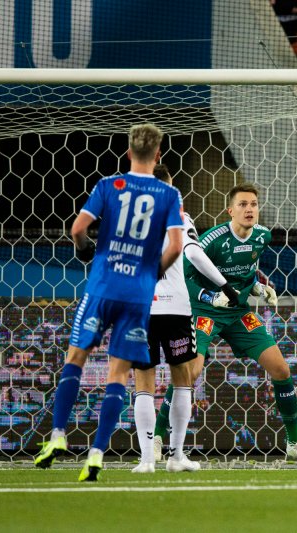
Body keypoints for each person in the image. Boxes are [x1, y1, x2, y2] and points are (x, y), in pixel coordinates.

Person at [34, 124, 184, 481]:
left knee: (76, 359)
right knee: (118, 374)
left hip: (101, 288)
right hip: (137, 297)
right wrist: (152, 273)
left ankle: (57, 436)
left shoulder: (109, 185)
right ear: (159, 154)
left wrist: (84, 247)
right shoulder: (168, 195)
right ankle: (98, 453)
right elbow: (176, 247)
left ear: (129, 153)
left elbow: (76, 229)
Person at [179, 183, 297, 467]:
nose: (249, 209)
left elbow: (244, 272)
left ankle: (294, 444)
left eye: (254, 204)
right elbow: (185, 277)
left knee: (280, 369)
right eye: (243, 204)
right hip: (205, 310)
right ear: (230, 210)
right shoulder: (211, 240)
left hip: (238, 312)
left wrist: (257, 287)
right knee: (189, 372)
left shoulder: (262, 236)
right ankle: (160, 439)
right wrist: (209, 295)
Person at [131, 164, 240, 473]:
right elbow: (193, 254)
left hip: (141, 308)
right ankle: (176, 456)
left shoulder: (130, 221)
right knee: (182, 381)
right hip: (177, 309)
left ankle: (146, 460)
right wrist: (225, 286)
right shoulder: (179, 215)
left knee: (143, 383)